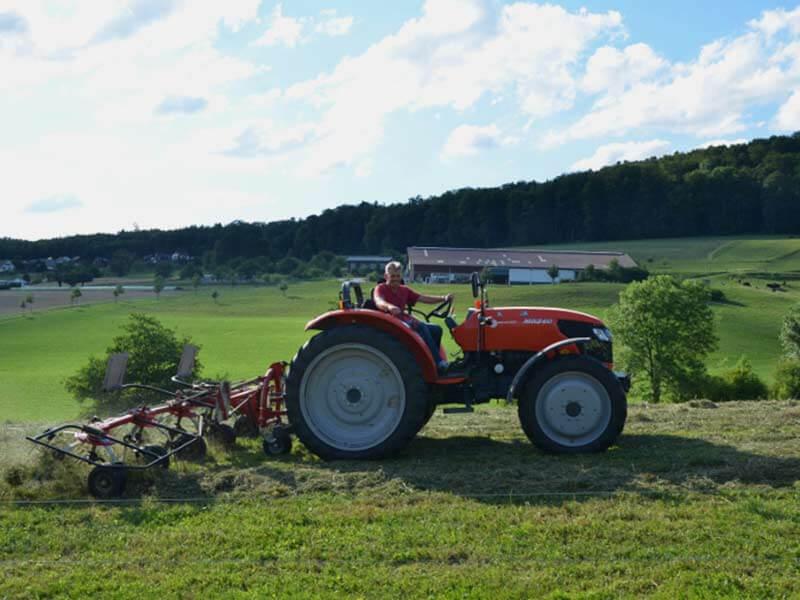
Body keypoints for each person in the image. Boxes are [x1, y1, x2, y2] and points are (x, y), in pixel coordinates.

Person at [373, 261, 454, 373]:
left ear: (401, 276)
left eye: (397, 276)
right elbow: (379, 301)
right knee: (421, 327)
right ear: (386, 276)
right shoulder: (381, 288)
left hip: (402, 321)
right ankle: (438, 363)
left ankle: (430, 362)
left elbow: (423, 298)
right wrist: (389, 307)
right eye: (392, 276)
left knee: (436, 329)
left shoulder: (404, 290)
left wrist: (443, 298)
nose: (395, 279)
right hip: (389, 323)